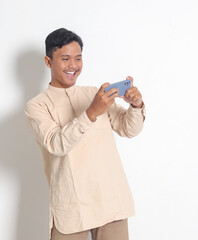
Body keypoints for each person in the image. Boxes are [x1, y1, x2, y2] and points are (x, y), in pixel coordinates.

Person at [25, 28, 145, 240]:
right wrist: (91, 112)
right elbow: (56, 144)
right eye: (65, 58)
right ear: (48, 61)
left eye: (78, 58)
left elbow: (128, 129)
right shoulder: (37, 106)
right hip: (72, 208)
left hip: (111, 201)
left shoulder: (94, 94)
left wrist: (135, 106)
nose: (73, 65)